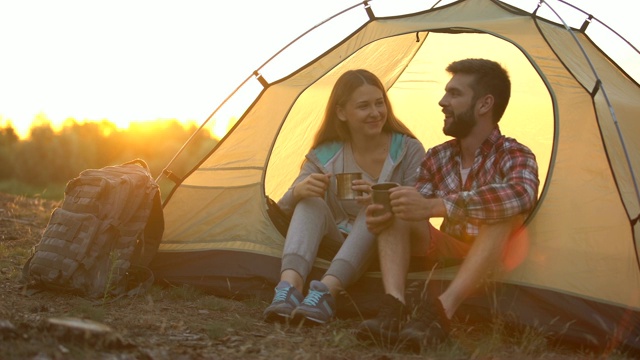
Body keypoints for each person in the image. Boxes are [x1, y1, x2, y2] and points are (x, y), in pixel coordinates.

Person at [358, 58, 540, 349]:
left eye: (454, 94)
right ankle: (393, 307)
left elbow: (521, 194)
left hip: (497, 256)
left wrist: (438, 206)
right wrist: (386, 210)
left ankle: (441, 312)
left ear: (484, 105)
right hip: (449, 249)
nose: (443, 102)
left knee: (505, 215)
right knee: (401, 202)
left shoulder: (515, 154)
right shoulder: (438, 156)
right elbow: (418, 204)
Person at [263, 69, 426, 325]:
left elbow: (420, 207)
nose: (375, 113)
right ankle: (288, 288)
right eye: (363, 106)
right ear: (341, 113)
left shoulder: (408, 149)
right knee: (309, 202)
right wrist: (297, 192)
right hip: (337, 240)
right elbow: (284, 207)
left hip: (390, 244)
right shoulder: (326, 154)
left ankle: (326, 292)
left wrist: (379, 196)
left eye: (379, 103)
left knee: (374, 208)